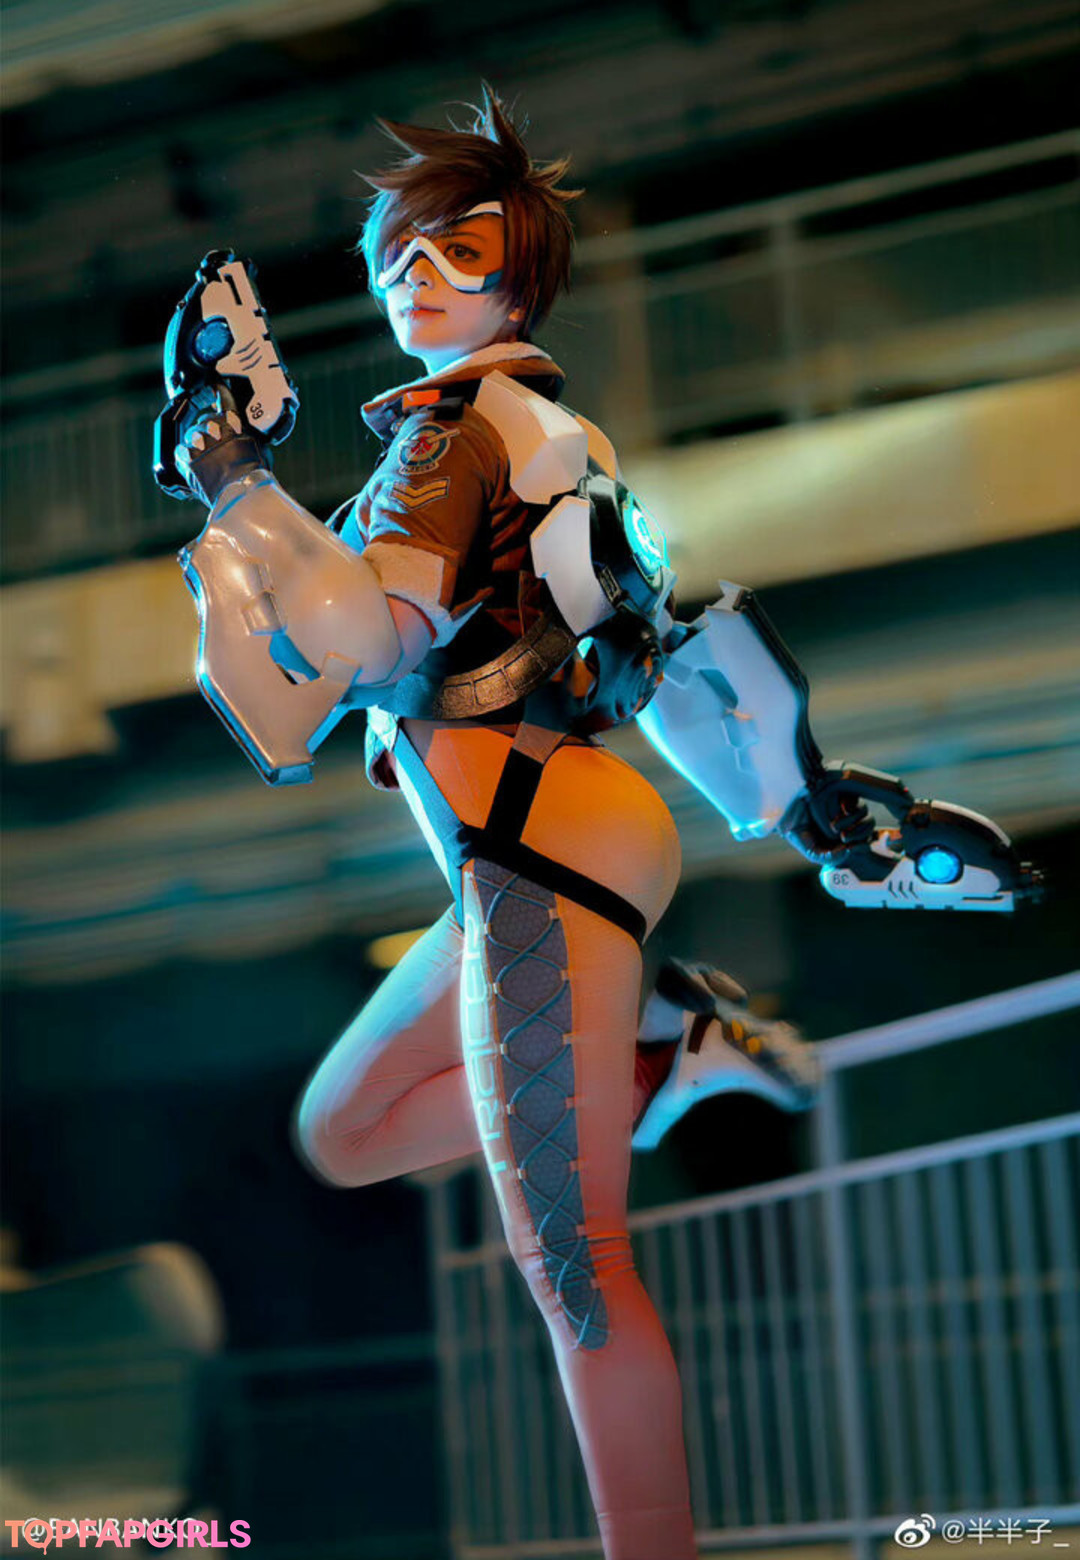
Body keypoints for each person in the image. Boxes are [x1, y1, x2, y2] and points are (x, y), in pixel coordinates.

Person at [161, 84, 1034, 1560]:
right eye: (397, 254)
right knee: (343, 1130)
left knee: (574, 1263)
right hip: (543, 839)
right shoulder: (555, 434)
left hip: (539, 849)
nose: (417, 276)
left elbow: (369, 640)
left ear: (518, 273)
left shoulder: (451, 437)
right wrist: (806, 807)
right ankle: (656, 1054)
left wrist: (241, 481)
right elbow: (650, 648)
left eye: (456, 249)